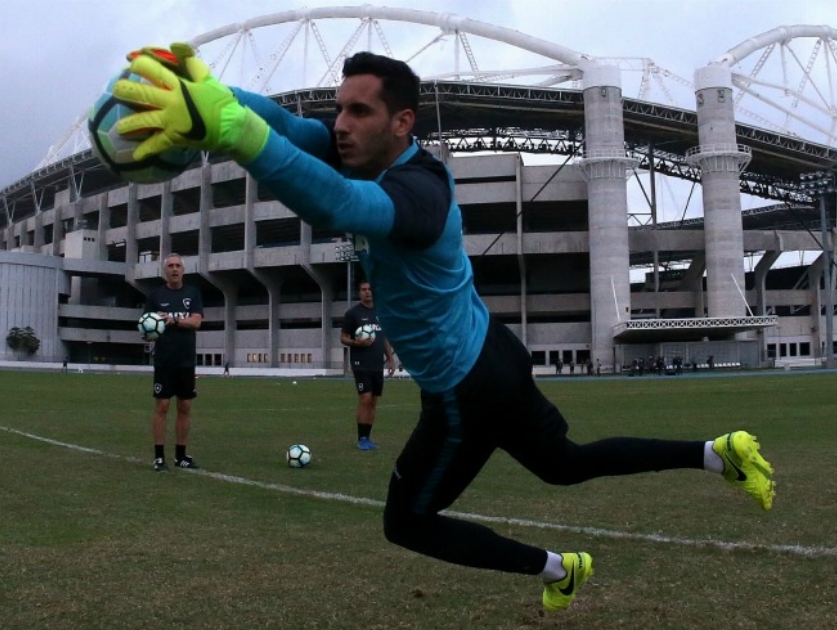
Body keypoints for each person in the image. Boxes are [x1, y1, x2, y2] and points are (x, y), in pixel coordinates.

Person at [115, 46, 776, 611]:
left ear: (400, 122)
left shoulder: (418, 193)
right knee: (563, 464)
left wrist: (230, 131)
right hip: (494, 354)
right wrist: (215, 93)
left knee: (407, 523)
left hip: (466, 388)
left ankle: (557, 568)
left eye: (358, 111)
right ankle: (716, 452)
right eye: (340, 108)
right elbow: (288, 125)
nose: (340, 124)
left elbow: (339, 204)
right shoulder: (362, 151)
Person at [144, 253, 203, 472]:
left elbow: (197, 322)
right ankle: (159, 457)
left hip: (186, 360)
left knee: (185, 406)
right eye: (171, 266)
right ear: (165, 270)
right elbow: (145, 327)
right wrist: (150, 330)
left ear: (183, 270)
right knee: (162, 406)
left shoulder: (192, 293)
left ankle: (181, 456)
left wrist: (174, 320)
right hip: (164, 360)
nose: (175, 269)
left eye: (178, 265)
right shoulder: (155, 295)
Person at [341, 281, 396, 450]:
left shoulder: (381, 312)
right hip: (360, 363)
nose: (367, 292)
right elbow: (343, 338)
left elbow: (384, 337)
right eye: (363, 290)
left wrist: (391, 359)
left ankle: (368, 438)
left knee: (373, 401)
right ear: (359, 293)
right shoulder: (352, 314)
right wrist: (356, 343)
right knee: (365, 398)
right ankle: (361, 438)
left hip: (376, 363)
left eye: (370, 289)